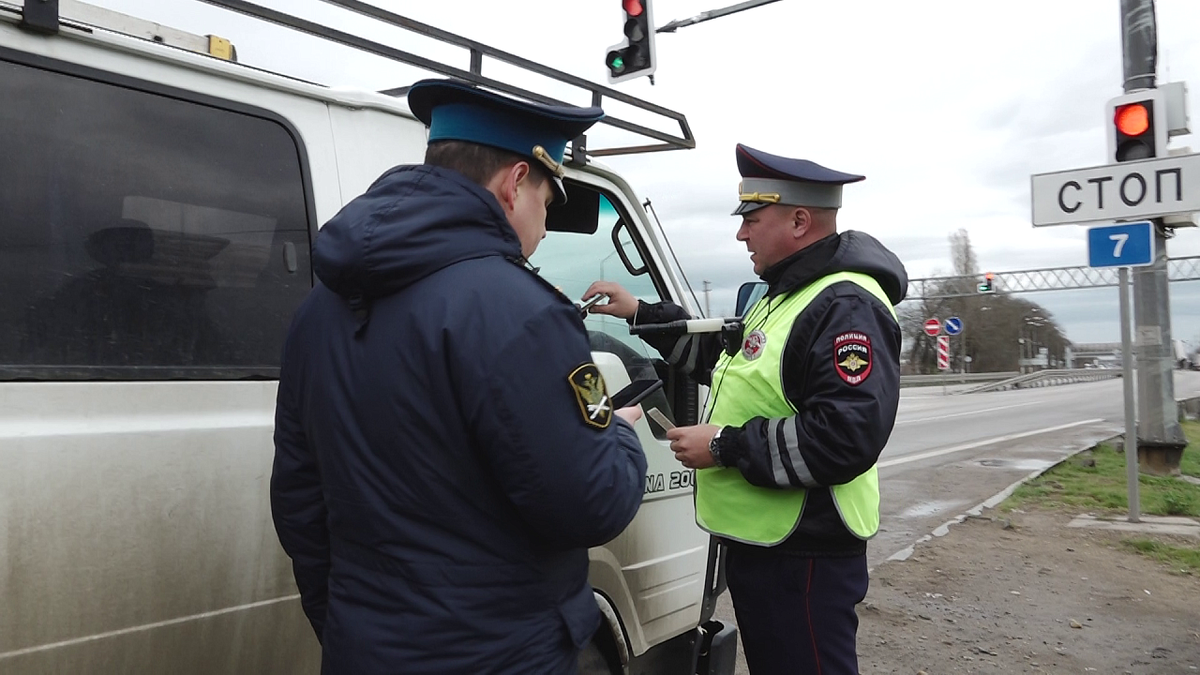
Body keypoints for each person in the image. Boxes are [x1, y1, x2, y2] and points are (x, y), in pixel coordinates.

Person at [271, 78, 648, 675]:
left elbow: (299, 502)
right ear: (516, 182)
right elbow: (590, 503)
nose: (544, 227)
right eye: (547, 204)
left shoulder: (320, 309)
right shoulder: (523, 311)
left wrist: (350, 625)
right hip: (501, 655)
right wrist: (620, 438)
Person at [585, 143, 907, 675]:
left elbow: (844, 437)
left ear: (800, 221)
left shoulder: (844, 304)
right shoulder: (785, 294)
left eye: (752, 219)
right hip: (771, 548)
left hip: (805, 554)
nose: (742, 233)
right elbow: (731, 360)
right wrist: (641, 312)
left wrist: (724, 445)